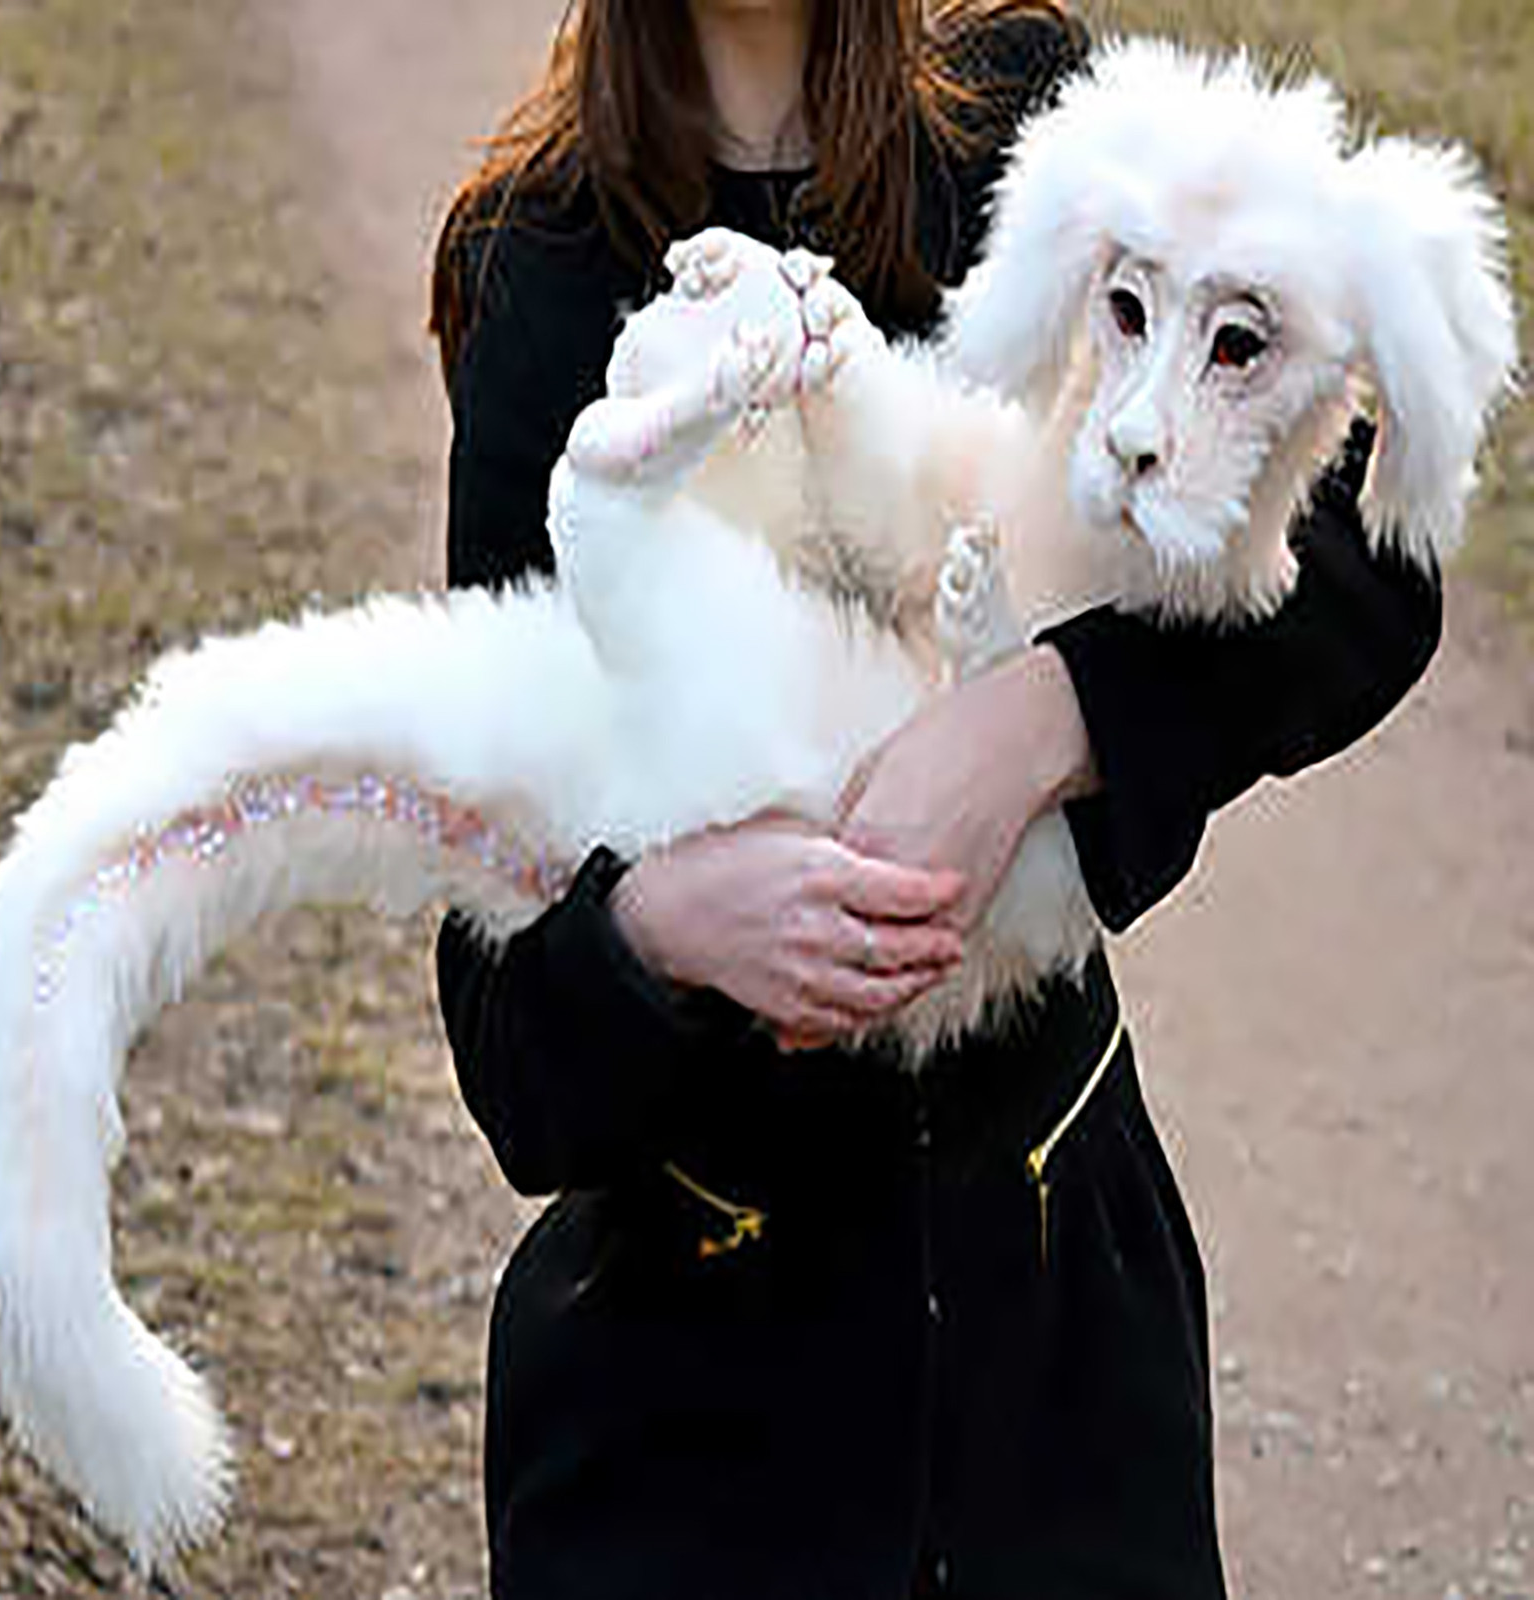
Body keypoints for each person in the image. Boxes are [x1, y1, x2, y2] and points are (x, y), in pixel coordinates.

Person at [429, 3, 1442, 1597]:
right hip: (688, 1427)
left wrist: (1059, 716)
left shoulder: (1028, 120)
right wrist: (660, 930)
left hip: (1060, 1362)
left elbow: (1375, 557)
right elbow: (508, 1030)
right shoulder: (535, 264)